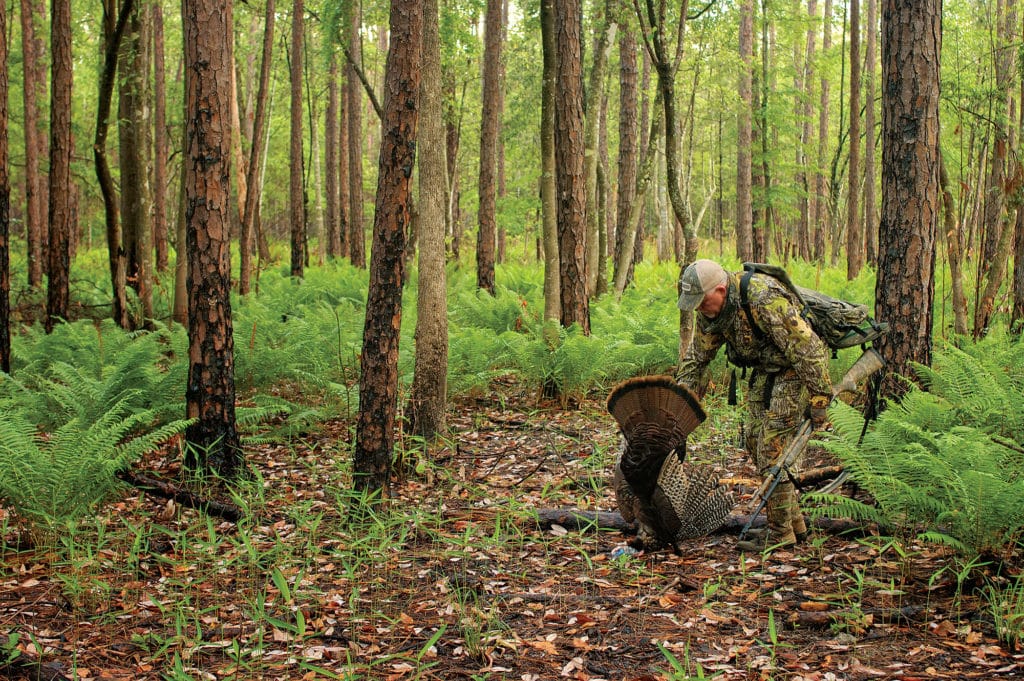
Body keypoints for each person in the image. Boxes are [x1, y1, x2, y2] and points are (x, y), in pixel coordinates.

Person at [674, 259, 832, 552]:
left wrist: (820, 397)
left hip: (795, 371)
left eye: (702, 301)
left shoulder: (763, 298)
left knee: (774, 447)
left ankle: (779, 532)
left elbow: (808, 350)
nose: (698, 308)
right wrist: (678, 403)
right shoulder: (712, 314)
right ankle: (794, 524)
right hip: (765, 370)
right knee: (755, 440)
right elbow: (697, 358)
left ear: (720, 290)